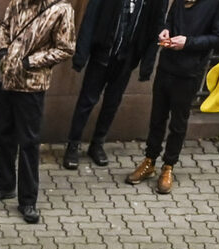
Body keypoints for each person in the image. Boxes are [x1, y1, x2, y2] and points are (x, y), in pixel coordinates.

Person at [0, 0, 73, 223]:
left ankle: (28, 200)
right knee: (2, 134)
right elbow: (4, 26)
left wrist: (30, 61)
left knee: (28, 143)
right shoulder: (17, 2)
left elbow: (66, 48)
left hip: (32, 86)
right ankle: (4, 185)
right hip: (6, 80)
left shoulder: (61, 9)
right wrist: (2, 51)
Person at [122, 0, 219, 195]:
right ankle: (149, 161)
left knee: (178, 123)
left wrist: (188, 42)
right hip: (167, 66)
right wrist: (165, 31)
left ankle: (168, 167)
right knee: (157, 118)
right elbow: (170, 19)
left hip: (189, 71)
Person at [59, 0, 161, 170]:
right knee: (86, 101)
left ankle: (97, 144)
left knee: (112, 104)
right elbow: (90, 19)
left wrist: (146, 67)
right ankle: (73, 145)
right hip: (102, 54)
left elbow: (154, 29)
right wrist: (81, 56)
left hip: (126, 60)